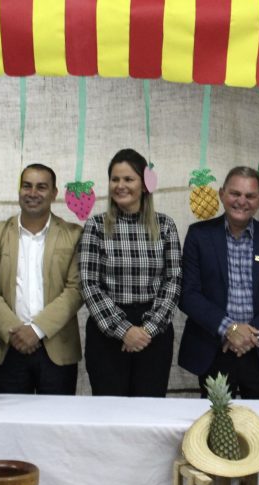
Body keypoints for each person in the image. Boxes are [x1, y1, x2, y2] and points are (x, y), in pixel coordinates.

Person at [179, 166, 259, 399]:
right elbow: (188, 295)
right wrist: (230, 329)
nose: (242, 201)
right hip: (215, 349)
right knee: (215, 419)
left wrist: (248, 335)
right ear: (222, 194)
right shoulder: (198, 235)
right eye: (235, 193)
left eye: (250, 196)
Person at [77, 149, 181, 397]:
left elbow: (173, 280)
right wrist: (124, 330)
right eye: (115, 179)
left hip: (154, 333)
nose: (120, 185)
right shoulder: (96, 226)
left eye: (128, 179)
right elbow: (89, 283)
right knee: (110, 411)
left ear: (144, 185)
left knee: (149, 410)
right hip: (107, 332)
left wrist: (147, 330)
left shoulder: (165, 225)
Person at [0, 164, 83, 395]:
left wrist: (36, 329)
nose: (33, 193)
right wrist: (17, 332)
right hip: (9, 346)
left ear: (54, 193)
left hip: (57, 348)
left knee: (58, 417)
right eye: (27, 186)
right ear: (19, 190)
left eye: (41, 187)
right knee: (11, 417)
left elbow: (76, 289)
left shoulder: (73, 234)